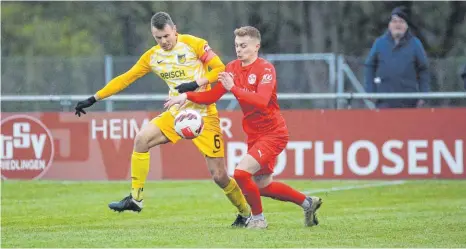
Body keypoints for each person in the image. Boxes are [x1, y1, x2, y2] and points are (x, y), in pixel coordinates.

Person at [74, 12, 250, 227]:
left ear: (174, 29)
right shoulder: (152, 57)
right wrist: (94, 98)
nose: (164, 41)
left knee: (219, 176)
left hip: (204, 116)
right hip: (176, 114)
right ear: (153, 35)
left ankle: (246, 213)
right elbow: (125, 79)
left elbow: (220, 69)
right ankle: (135, 199)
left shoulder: (194, 44)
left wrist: (195, 83)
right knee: (141, 140)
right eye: (158, 38)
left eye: (166, 36)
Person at [165, 26, 322, 229]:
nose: (239, 50)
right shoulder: (232, 68)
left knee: (240, 174)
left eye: (244, 45)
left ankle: (258, 220)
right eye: (237, 45)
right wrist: (187, 96)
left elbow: (262, 101)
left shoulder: (265, 69)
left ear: (256, 46)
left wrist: (234, 88)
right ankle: (307, 203)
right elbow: (212, 96)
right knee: (262, 186)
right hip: (254, 134)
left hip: (273, 133)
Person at [365, 6, 430, 108]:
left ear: (407, 26)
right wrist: (370, 90)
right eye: (394, 21)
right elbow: (369, 66)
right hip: (384, 103)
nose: (397, 25)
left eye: (401, 21)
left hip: (409, 103)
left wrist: (423, 95)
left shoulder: (416, 44)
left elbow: (423, 70)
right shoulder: (379, 43)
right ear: (389, 25)